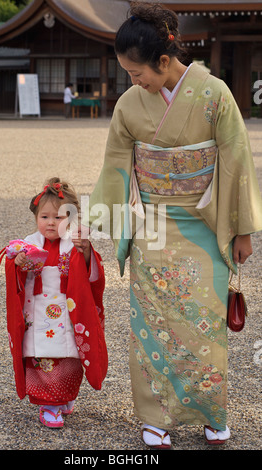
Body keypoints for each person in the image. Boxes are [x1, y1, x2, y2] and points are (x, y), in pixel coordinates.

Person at [83, 2, 262, 449]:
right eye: (127, 73)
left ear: (163, 61)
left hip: (204, 227)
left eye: (137, 72)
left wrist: (242, 230)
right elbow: (116, 167)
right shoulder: (130, 104)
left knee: (205, 326)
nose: (133, 81)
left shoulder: (215, 93)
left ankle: (210, 412)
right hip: (153, 230)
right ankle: (155, 418)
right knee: (152, 327)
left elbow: (237, 160)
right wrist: (102, 225)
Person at [3, 178, 107, 428]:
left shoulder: (75, 245)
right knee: (42, 358)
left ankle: (64, 397)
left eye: (59, 218)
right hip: (37, 314)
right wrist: (15, 264)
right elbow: (15, 278)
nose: (50, 222)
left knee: (70, 358)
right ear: (36, 217)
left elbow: (93, 277)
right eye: (45, 217)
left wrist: (85, 253)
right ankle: (48, 404)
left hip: (67, 314)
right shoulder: (28, 245)